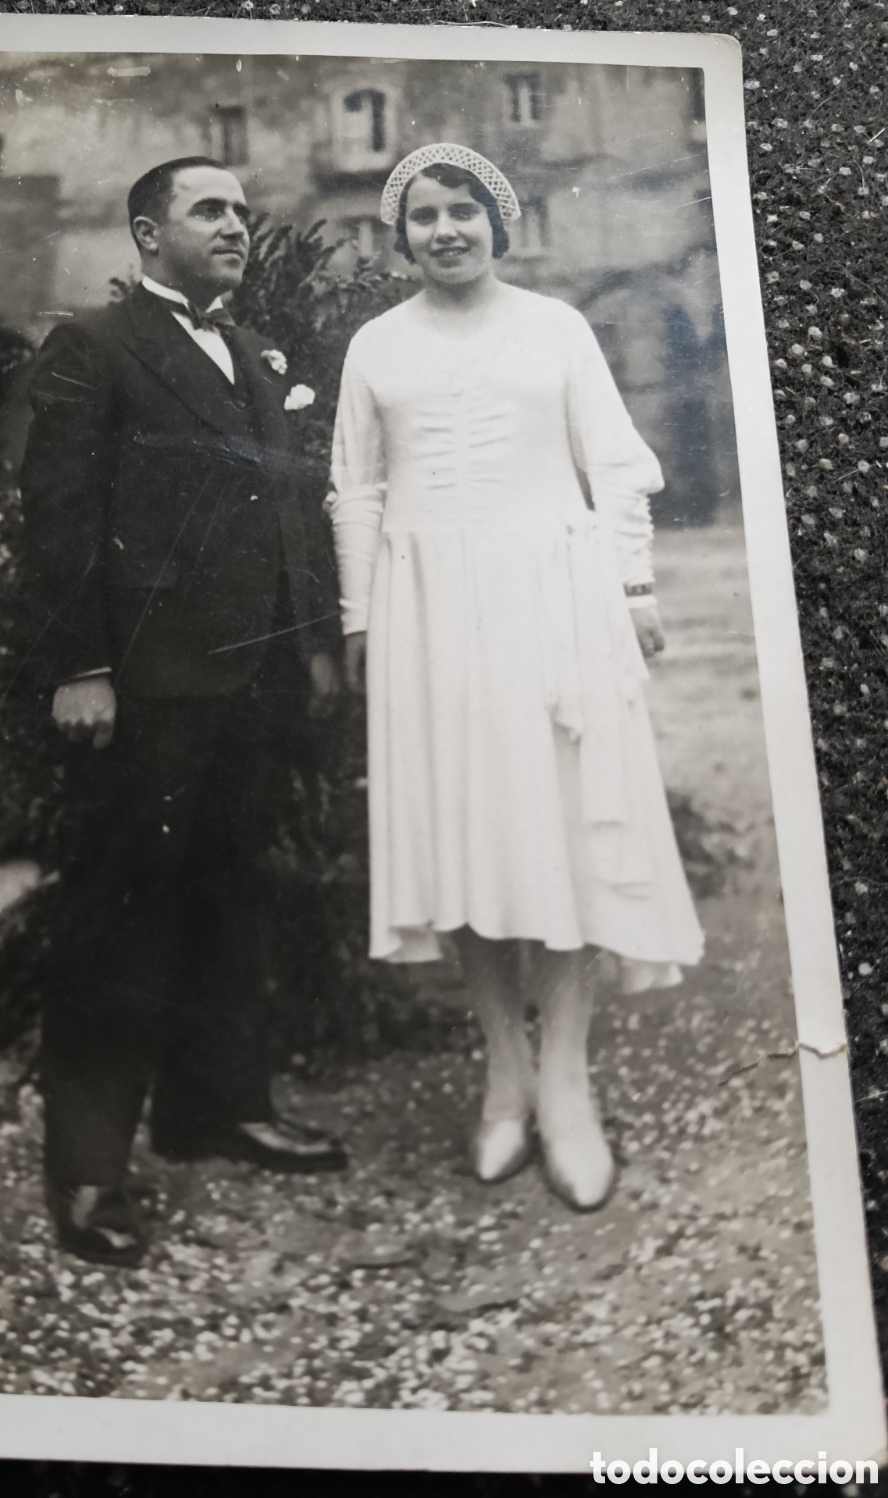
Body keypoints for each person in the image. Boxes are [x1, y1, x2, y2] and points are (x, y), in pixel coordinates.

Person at [327, 144, 704, 1212]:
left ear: (501, 219)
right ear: (402, 238)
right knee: (464, 833)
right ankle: (503, 1069)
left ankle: (568, 1083)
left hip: (555, 596)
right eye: (426, 216)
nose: (447, 229)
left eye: (466, 210)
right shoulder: (375, 348)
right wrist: (362, 619)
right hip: (427, 613)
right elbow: (353, 491)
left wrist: (633, 591)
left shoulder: (558, 328)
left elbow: (620, 466)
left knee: (568, 828)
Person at [21, 156, 346, 1266]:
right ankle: (91, 1172)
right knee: (120, 916)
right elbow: (58, 520)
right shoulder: (97, 348)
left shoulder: (255, 355)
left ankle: (218, 1106)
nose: (236, 227)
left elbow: (288, 520)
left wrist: (307, 657)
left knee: (235, 892)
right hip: (146, 687)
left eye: (245, 213)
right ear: (145, 235)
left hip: (247, 686)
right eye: (210, 209)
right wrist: (78, 666)